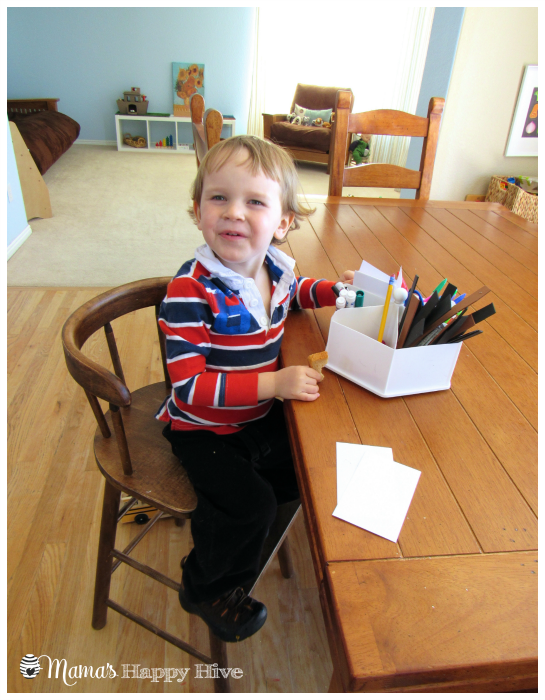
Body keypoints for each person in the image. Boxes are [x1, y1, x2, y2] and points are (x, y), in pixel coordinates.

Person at [156, 135, 354, 643]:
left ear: (283, 222)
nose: (234, 212)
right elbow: (189, 388)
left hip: (253, 417)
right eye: (219, 197)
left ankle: (236, 532)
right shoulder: (190, 291)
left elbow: (297, 293)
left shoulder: (274, 269)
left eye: (255, 202)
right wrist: (275, 383)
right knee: (251, 506)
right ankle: (205, 585)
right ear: (198, 210)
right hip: (202, 429)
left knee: (307, 466)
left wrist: (335, 292)